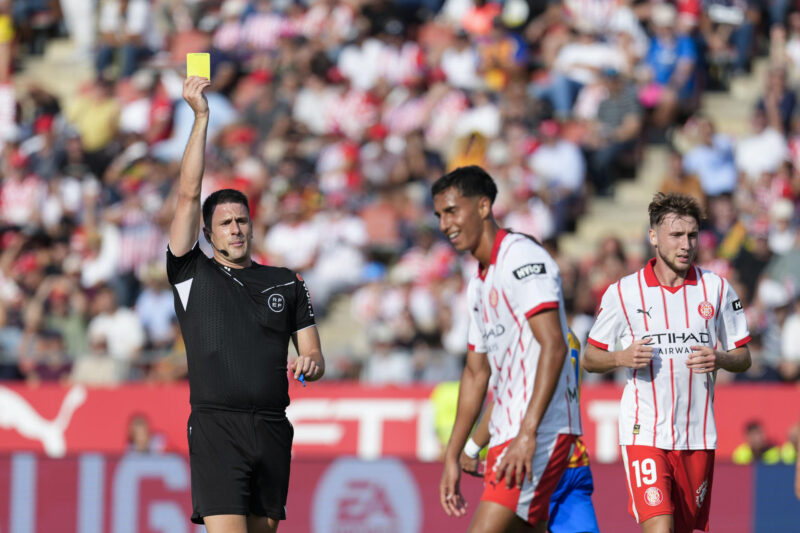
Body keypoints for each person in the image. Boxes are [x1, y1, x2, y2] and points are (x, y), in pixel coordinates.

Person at [167, 75, 324, 533]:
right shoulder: (192, 272)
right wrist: (201, 118)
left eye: (242, 220)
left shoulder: (287, 282)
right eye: (225, 223)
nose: (235, 229)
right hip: (217, 427)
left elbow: (313, 354)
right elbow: (188, 194)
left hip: (273, 426)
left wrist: (311, 364)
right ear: (208, 233)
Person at [583, 192, 751, 533]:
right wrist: (620, 357)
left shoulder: (717, 289)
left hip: (697, 435)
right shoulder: (624, 293)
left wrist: (719, 358)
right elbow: (590, 357)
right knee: (660, 527)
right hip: (644, 431)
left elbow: (743, 357)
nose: (686, 245)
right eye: (676, 235)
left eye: (692, 235)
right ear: (654, 236)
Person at [434, 165, 582, 533]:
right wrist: (454, 454)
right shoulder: (478, 284)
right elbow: (475, 373)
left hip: (539, 431)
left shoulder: (522, 257)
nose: (445, 224)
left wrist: (528, 433)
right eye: (439, 215)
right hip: (505, 432)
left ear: (483, 206)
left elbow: (554, 345)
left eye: (452, 211)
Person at [460, 330, 599, 533]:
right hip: (573, 458)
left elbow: (508, 400)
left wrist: (471, 448)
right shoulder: (571, 337)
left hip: (535, 459)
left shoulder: (533, 337)